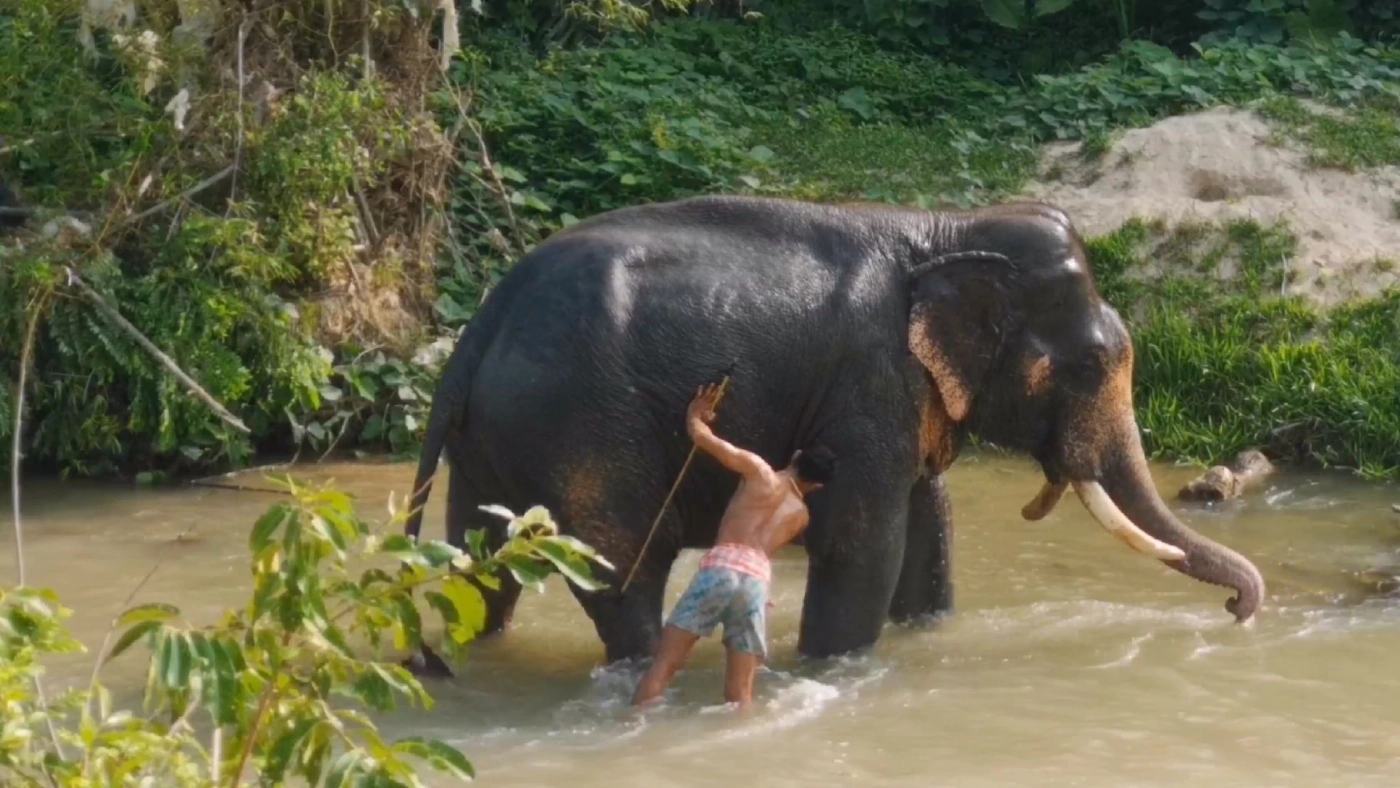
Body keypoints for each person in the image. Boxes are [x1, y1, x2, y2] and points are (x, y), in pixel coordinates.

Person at [631, 382, 837, 709]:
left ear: (796, 456)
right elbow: (763, 555)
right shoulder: (801, 516)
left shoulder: (759, 471)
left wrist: (695, 414)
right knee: (741, 693)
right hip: (756, 583)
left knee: (666, 664)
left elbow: (703, 440)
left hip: (722, 568)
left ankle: (632, 725)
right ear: (817, 486)